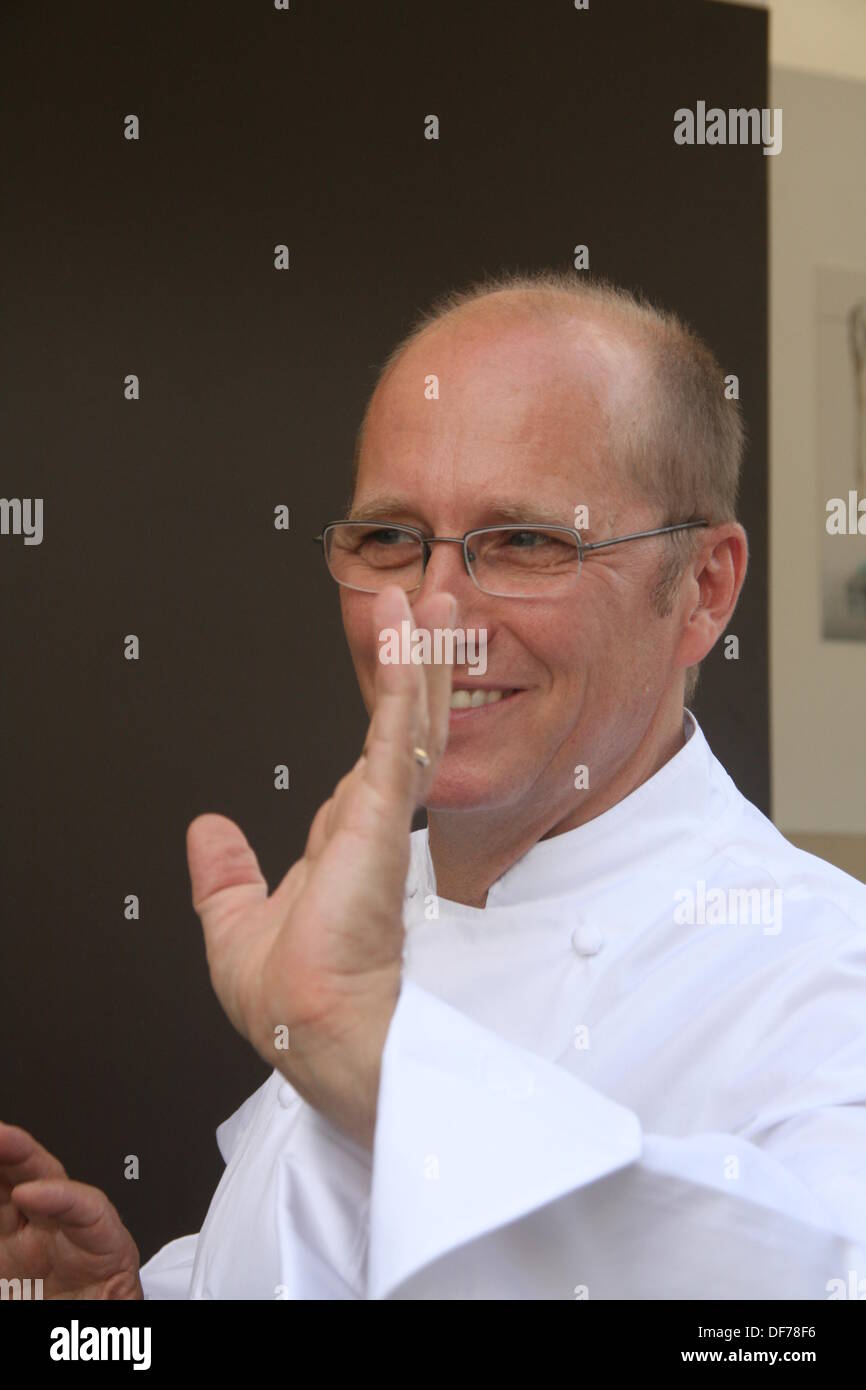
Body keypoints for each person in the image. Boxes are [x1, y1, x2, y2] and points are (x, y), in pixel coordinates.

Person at [2, 271, 865, 1301]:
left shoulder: (816, 970)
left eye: (526, 541)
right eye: (390, 540)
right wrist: (124, 1315)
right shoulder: (377, 903)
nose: (434, 613)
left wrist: (371, 1064)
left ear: (699, 592)